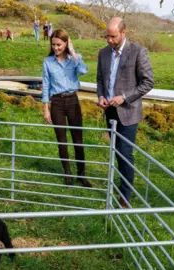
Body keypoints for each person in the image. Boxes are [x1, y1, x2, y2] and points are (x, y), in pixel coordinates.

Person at [96, 17, 154, 206]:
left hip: (129, 112)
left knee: (124, 152)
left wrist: (124, 97)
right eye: (107, 36)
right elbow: (99, 79)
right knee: (114, 151)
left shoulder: (138, 52)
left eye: (113, 36)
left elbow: (147, 82)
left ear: (123, 33)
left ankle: (125, 195)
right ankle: (116, 184)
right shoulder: (103, 53)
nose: (109, 40)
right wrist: (101, 96)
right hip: (110, 111)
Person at [42, 29, 92, 188]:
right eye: (53, 44)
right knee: (62, 141)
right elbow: (46, 85)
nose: (56, 48)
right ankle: (67, 174)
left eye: (59, 44)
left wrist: (74, 52)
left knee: (78, 140)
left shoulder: (74, 60)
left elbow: (84, 71)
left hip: (73, 101)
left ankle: (82, 175)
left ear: (66, 43)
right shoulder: (48, 62)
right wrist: (45, 108)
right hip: (56, 103)